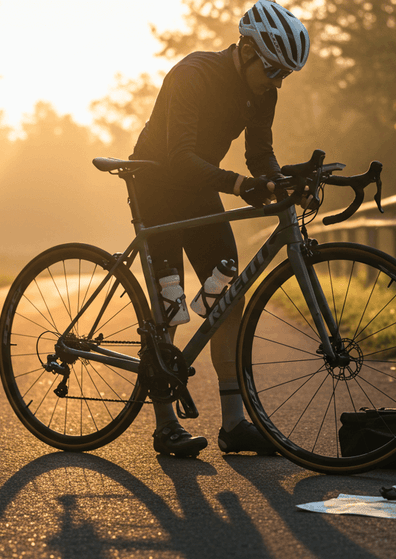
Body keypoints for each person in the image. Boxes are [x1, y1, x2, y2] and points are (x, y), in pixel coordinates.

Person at [129, 0, 310, 457]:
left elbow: (259, 154)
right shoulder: (192, 75)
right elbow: (178, 157)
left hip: (198, 183)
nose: (277, 82)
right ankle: (166, 424)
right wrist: (238, 185)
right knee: (169, 302)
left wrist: (280, 181)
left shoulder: (263, 91)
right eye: (273, 70)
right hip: (156, 183)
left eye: (284, 75)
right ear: (246, 50)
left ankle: (234, 424)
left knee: (229, 293)